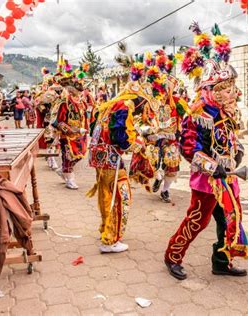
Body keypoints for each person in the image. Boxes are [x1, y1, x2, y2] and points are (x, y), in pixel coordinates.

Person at [164, 23, 248, 280]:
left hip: (228, 178)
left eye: (230, 86)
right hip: (207, 181)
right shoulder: (198, 112)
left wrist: (238, 150)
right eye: (223, 88)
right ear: (209, 89)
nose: (230, 92)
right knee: (197, 220)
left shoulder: (226, 111)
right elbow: (189, 149)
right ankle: (172, 256)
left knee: (229, 222)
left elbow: (230, 138)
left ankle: (221, 261)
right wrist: (213, 166)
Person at [87, 60, 154, 253]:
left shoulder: (112, 105)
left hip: (101, 159)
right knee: (121, 197)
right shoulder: (124, 106)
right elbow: (119, 137)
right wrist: (138, 146)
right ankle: (111, 240)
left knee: (107, 196)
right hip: (110, 159)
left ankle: (106, 230)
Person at [130, 50, 189, 203]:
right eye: (161, 89)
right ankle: (157, 177)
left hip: (171, 138)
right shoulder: (146, 102)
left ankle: (165, 190)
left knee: (173, 163)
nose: (164, 92)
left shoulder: (177, 102)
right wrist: (145, 130)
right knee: (151, 159)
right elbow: (137, 119)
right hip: (152, 139)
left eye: (167, 88)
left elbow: (189, 118)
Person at [49, 64, 88, 190]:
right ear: (70, 92)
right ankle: (70, 179)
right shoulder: (64, 103)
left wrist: (85, 129)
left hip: (80, 134)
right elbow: (59, 122)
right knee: (68, 156)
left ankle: (63, 170)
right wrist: (72, 130)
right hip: (67, 135)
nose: (78, 95)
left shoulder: (81, 103)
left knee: (80, 155)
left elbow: (84, 117)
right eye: (76, 93)